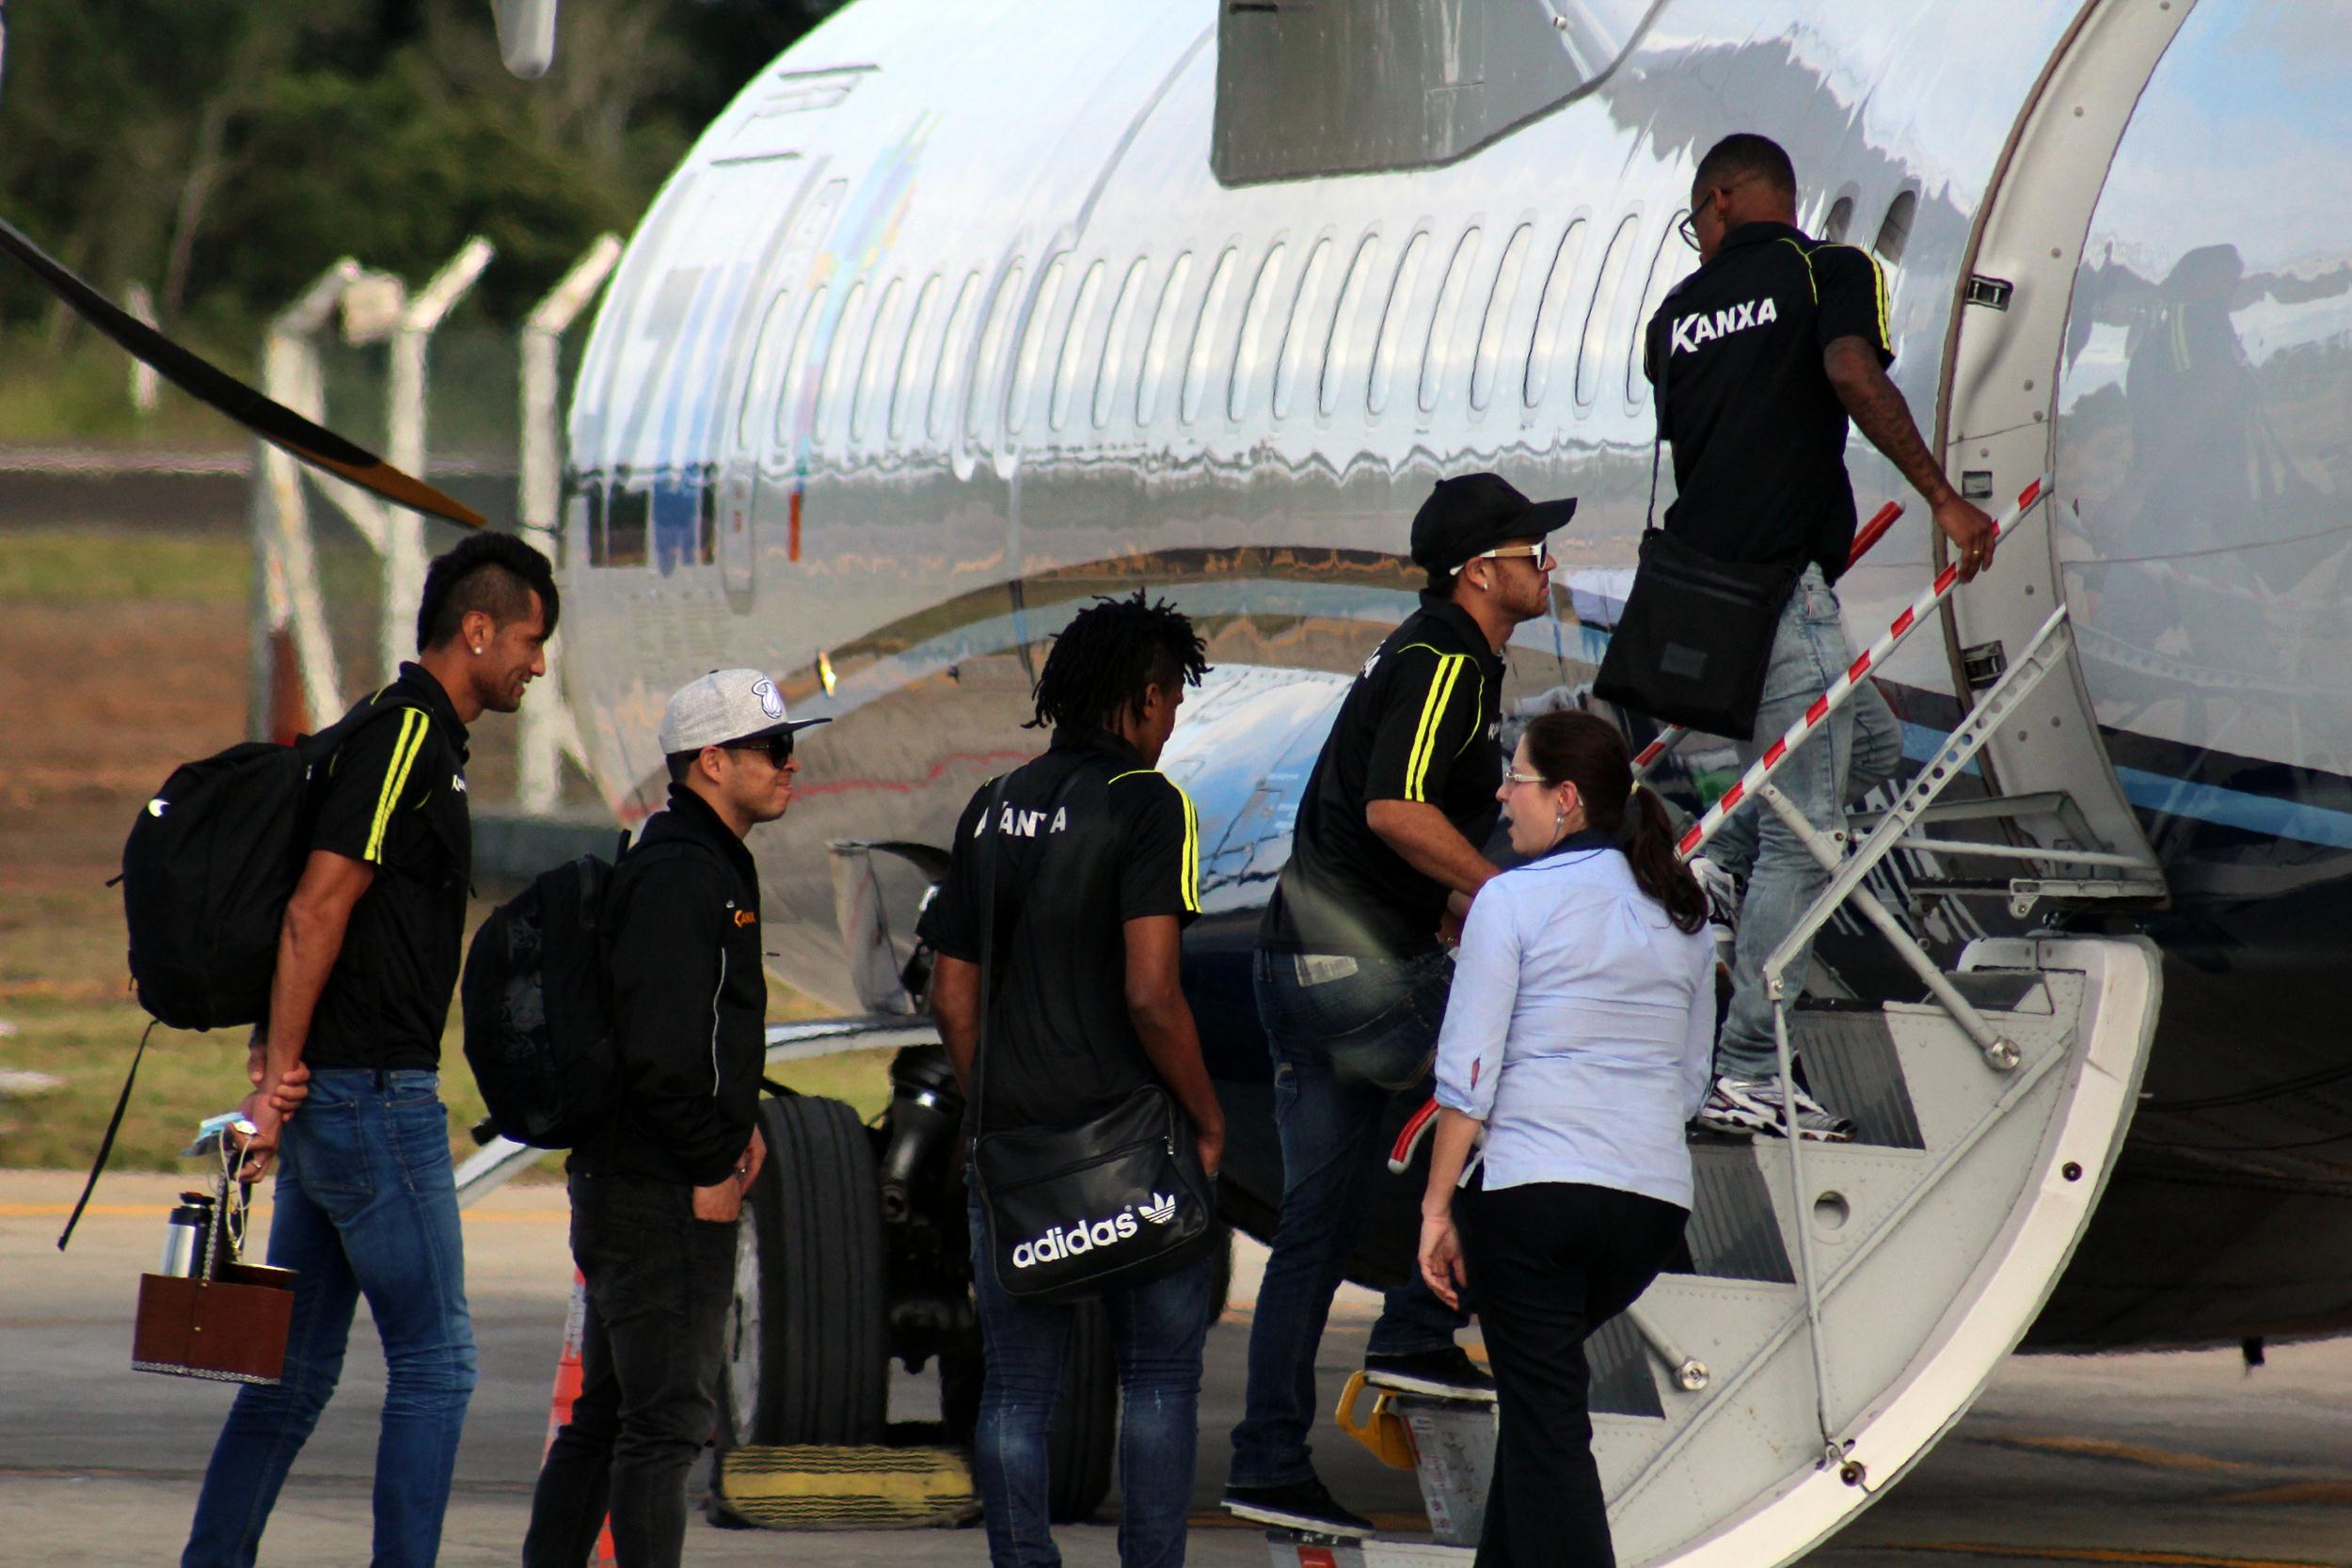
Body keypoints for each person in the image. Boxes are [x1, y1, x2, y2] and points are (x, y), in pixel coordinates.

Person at [183, 531, 557, 1568]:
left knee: (293, 1378)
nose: (538, 662)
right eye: (530, 639)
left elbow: (321, 922)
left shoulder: (384, 736)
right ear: (476, 628)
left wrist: (279, 1062)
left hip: (337, 1098)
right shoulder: (404, 741)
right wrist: (274, 1087)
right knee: (438, 1362)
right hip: (370, 1099)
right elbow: (313, 911)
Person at [1225, 472, 1574, 1537]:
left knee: (1311, 1230)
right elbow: (1392, 806)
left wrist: (1446, 903)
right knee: (1513, 1080)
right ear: (1481, 570)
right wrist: (1493, 888)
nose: (1546, 567)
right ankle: (1417, 1329)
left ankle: (1267, 1457)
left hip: (1299, 962)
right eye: (1531, 551)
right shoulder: (1447, 663)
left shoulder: (1423, 648)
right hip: (1351, 973)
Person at [1645, 132, 1998, 1142]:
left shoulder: (1675, 314)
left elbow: (1701, 430)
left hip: (1703, 590)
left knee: (1871, 750)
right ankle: (1750, 1064)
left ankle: (1715, 869)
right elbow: (1848, 374)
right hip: (1778, 588)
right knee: (1813, 823)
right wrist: (1943, 500)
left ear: (1719, 202)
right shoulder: (1829, 269)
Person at [921, 591, 1226, 1568]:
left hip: (1012, 1144)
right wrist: (1208, 1118)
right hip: (1131, 1142)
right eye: (1172, 701)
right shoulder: (1149, 804)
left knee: (1015, 1390)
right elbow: (1151, 994)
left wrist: (991, 1102)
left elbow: (950, 995)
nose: (1172, 723)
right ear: (1141, 698)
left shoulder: (991, 801)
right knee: (1159, 1379)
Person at [523, 669, 825, 1568]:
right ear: (711, 760)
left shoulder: (700, 859)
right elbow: (661, 1047)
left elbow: (701, 1035)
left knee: (612, 1413)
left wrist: (740, 1127)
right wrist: (713, 1164)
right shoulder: (679, 874)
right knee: (664, 1426)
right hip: (658, 1191)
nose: (789, 763)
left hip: (639, 1177)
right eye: (772, 749)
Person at [1417, 710, 1714, 1568]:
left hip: (1537, 1199)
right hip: (1650, 1210)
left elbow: (1468, 1070)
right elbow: (1691, 1081)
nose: (1504, 794)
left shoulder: (1511, 897)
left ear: (1567, 799)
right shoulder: (1683, 915)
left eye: (1518, 778)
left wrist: (1437, 1206)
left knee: (1549, 1428)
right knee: (1538, 1408)